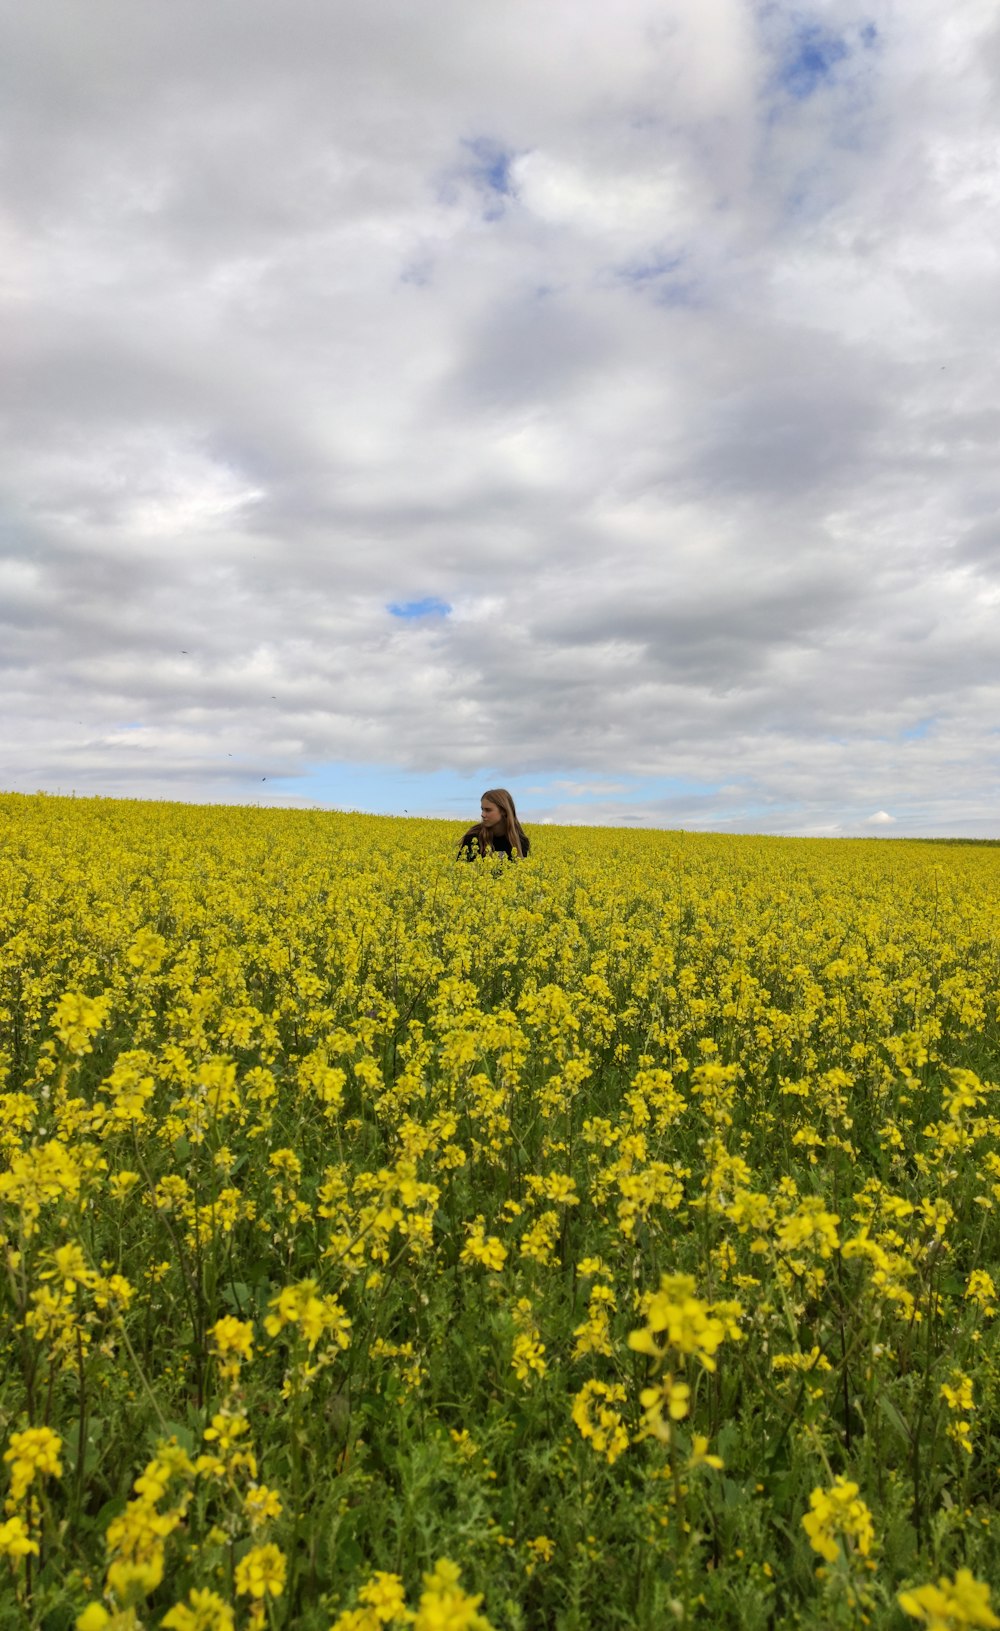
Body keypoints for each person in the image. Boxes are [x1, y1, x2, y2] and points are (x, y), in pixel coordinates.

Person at [457, 788, 530, 861]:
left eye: (488, 810)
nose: (482, 814)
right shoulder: (473, 837)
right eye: (482, 809)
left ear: (504, 811)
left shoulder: (520, 841)